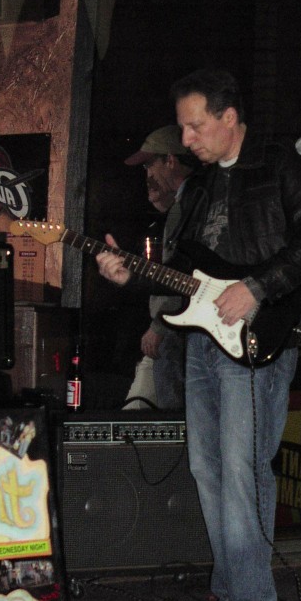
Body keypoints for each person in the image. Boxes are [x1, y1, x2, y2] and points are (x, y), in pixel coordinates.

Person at [96, 68, 301, 601]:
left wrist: (257, 288)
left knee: (242, 468)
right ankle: (232, 597)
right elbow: (184, 271)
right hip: (203, 342)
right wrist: (131, 276)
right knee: (209, 470)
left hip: (258, 337)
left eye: (195, 126)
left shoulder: (281, 165)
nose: (186, 139)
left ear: (230, 118)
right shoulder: (201, 187)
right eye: (183, 127)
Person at [122, 125, 196, 411]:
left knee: (172, 418)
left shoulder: (188, 206)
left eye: (150, 164)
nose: (147, 174)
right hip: (181, 329)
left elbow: (179, 275)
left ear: (170, 160)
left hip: (174, 330)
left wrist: (159, 325)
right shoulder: (188, 202)